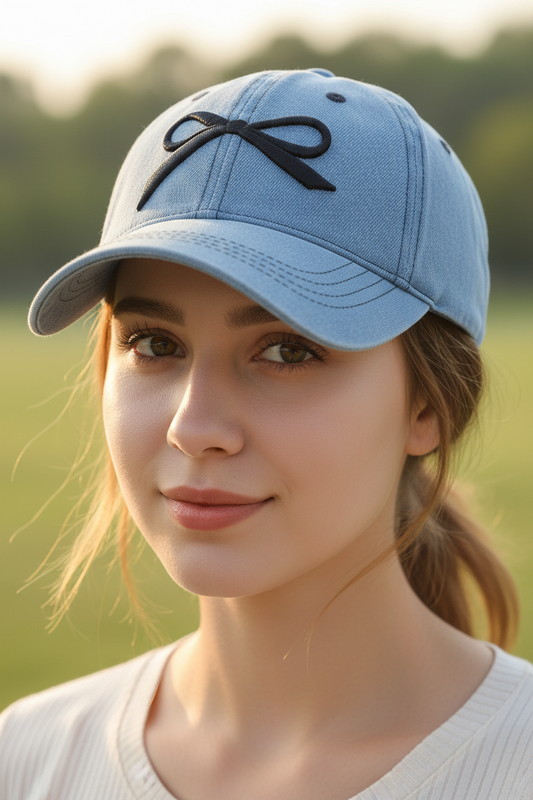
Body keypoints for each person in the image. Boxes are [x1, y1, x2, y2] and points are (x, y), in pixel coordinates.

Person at [1, 67, 531, 799]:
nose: (194, 428)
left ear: (429, 406)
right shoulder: (27, 759)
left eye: (287, 351)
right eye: (154, 344)